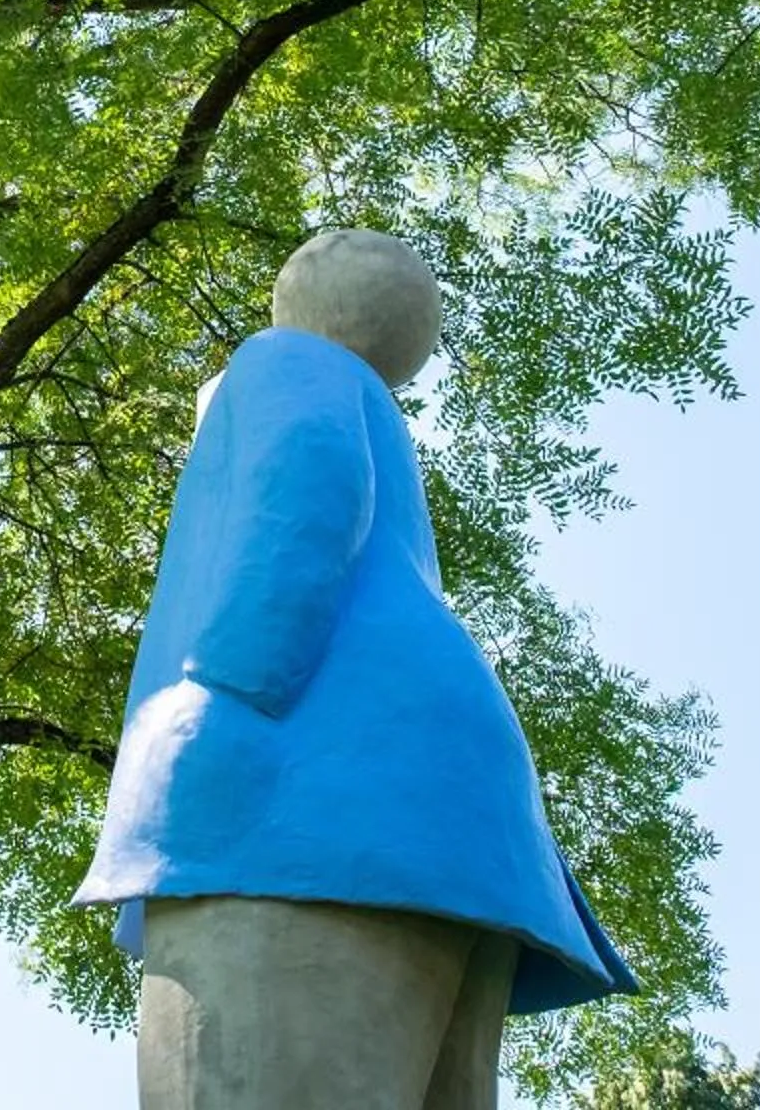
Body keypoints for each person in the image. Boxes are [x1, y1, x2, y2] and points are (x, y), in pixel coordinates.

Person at [74, 228, 635, 1108]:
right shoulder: (384, 422)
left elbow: (306, 480)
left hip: (299, 796)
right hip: (460, 827)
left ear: (299, 302)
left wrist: (222, 694)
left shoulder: (285, 359)